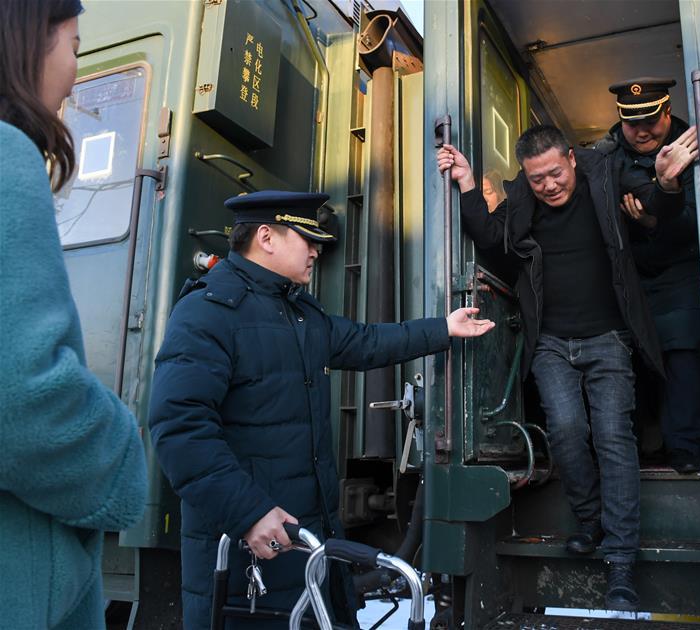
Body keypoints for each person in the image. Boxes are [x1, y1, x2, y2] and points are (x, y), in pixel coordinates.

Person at [148, 190, 494, 629]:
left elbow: (365, 342)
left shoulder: (297, 312)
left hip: (309, 545)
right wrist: (248, 512)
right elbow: (179, 426)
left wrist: (443, 328)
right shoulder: (208, 311)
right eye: (307, 238)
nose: (316, 249)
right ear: (267, 238)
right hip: (249, 552)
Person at [437, 123, 696, 611]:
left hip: (609, 339)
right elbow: (493, 242)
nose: (549, 185)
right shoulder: (523, 201)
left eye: (555, 174)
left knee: (613, 438)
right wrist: (468, 184)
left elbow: (655, 212)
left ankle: (620, 561)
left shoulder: (606, 171)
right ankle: (589, 519)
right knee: (567, 430)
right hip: (552, 342)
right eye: (537, 179)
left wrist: (664, 182)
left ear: (572, 160)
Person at [0, 1, 149, 628]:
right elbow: (24, 396)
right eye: (75, 48)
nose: (73, 71)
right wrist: (122, 457)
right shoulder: (7, 156)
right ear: (29, 45)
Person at [597, 77, 700, 473]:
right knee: (634, 359)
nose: (641, 131)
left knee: (682, 354)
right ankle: (646, 448)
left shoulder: (695, 147)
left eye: (650, 120)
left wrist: (649, 220)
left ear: (666, 111)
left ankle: (685, 450)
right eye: (632, 123)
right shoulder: (606, 156)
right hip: (631, 277)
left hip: (681, 271)